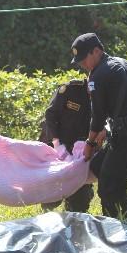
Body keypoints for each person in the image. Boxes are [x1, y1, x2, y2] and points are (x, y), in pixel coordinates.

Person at [71, 33, 127, 224]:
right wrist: (105, 132)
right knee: (99, 167)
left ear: (97, 51)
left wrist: (89, 144)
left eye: (84, 58)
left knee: (107, 188)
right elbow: (126, 103)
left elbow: (98, 116)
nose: (82, 64)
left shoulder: (98, 75)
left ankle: (118, 230)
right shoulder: (125, 65)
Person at [39, 78, 95, 213]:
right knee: (50, 198)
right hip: (57, 144)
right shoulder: (70, 89)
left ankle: (73, 212)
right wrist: (57, 144)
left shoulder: (104, 97)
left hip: (81, 151)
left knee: (78, 205)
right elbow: (50, 115)